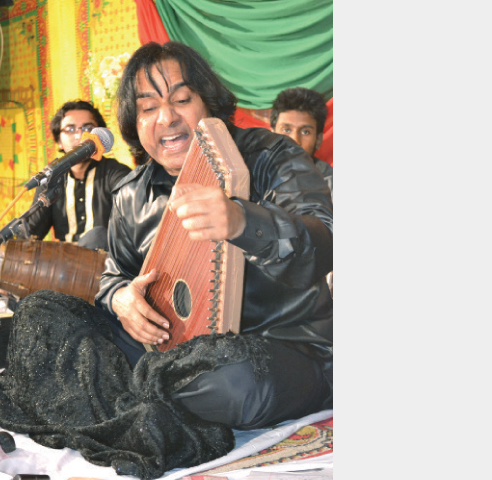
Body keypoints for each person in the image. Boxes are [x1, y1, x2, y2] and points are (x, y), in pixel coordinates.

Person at [95, 41, 333, 430]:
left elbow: (327, 242)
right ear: (134, 126)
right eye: (148, 108)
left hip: (284, 348)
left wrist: (243, 222)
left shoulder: (272, 156)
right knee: (52, 322)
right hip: (177, 353)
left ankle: (138, 391)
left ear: (208, 102)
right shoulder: (130, 195)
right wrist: (120, 299)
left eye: (181, 99)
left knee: (239, 385)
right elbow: (113, 276)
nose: (166, 118)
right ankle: (149, 389)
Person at [23, 100, 132, 251]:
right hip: (62, 267)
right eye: (70, 129)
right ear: (59, 141)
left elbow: (134, 224)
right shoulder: (51, 179)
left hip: (107, 266)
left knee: (96, 236)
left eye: (88, 128)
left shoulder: (115, 173)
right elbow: (31, 233)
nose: (80, 135)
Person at [270, 87, 333, 198]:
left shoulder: (330, 186)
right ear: (271, 135)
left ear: (318, 140)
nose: (295, 141)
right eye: (286, 130)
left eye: (305, 132)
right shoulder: (251, 175)